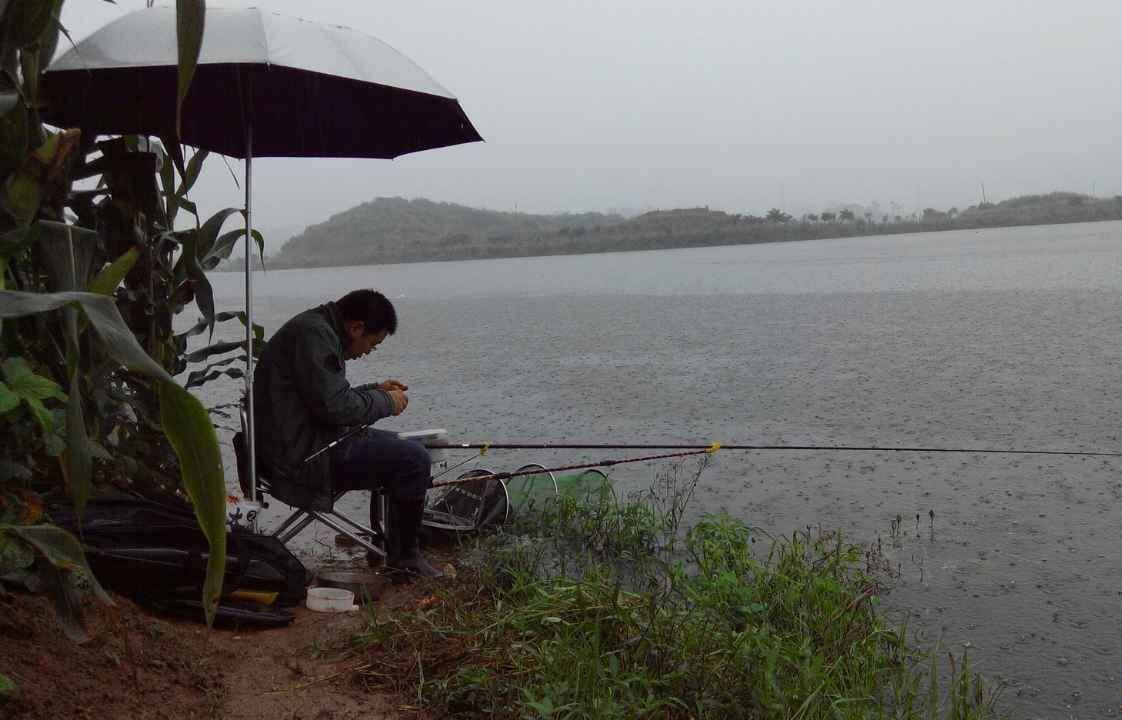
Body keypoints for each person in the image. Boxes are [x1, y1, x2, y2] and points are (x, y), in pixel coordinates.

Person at [253, 288, 443, 579]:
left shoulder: (315, 328)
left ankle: (392, 543)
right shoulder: (315, 336)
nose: (368, 352)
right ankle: (405, 558)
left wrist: (374, 391)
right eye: (372, 343)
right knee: (414, 460)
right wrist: (387, 402)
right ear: (356, 327)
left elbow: (323, 398)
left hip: (304, 441)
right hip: (304, 458)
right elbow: (336, 408)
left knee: (407, 447)